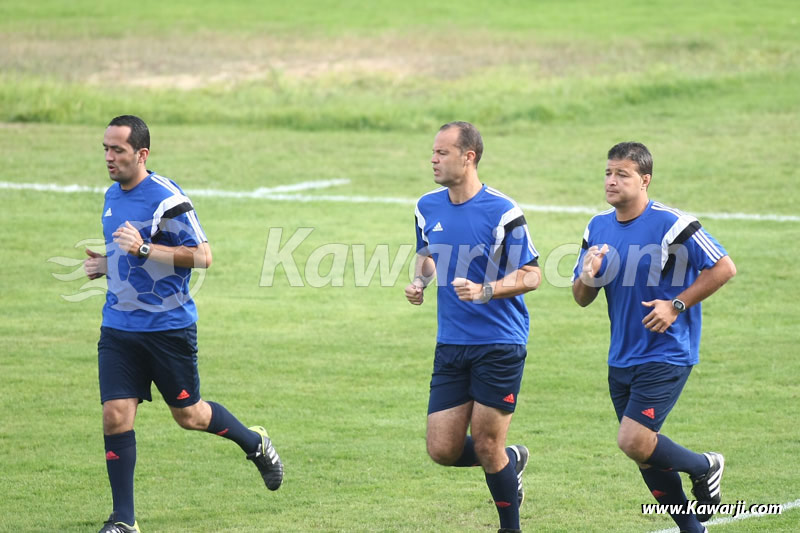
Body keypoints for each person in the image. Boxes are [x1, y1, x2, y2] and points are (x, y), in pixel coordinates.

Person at [84, 115, 283, 533]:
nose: (108, 157)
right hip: (119, 327)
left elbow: (203, 256)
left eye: (118, 150)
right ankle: (124, 521)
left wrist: (142, 248)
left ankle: (255, 443)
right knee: (115, 415)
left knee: (190, 415)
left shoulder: (167, 199)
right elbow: (128, 257)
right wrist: (106, 265)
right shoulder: (112, 195)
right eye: (105, 148)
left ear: (142, 154)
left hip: (167, 329)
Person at [571, 142, 736, 533]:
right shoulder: (597, 227)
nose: (611, 181)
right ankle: (692, 528)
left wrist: (676, 305)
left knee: (633, 440)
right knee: (645, 452)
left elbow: (723, 268)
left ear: (644, 180)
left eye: (622, 174)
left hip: (667, 351)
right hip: (621, 356)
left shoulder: (674, 224)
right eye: (608, 173)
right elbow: (581, 297)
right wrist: (589, 276)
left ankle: (704, 465)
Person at [404, 122, 541, 533]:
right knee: (442, 449)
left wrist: (486, 290)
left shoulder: (503, 211)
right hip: (451, 342)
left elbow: (532, 275)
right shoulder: (426, 206)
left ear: (469, 157)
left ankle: (509, 527)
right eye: (433, 152)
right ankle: (509, 462)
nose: (433, 159)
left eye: (442, 153)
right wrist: (420, 282)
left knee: (486, 442)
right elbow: (427, 254)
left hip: (499, 342)